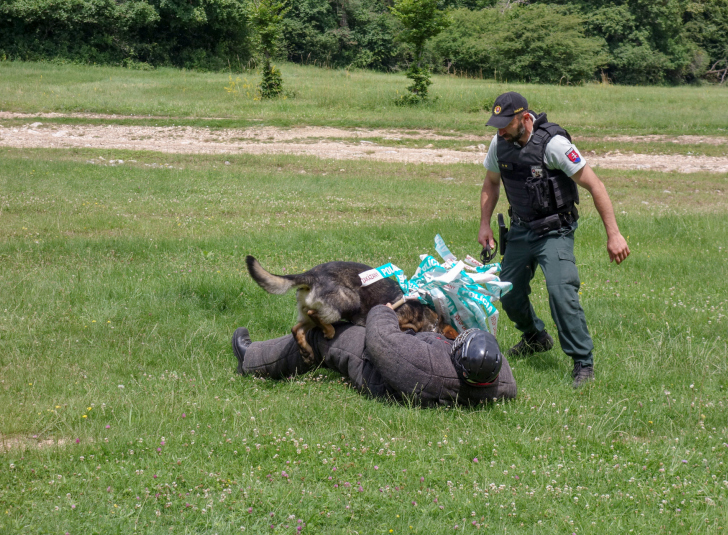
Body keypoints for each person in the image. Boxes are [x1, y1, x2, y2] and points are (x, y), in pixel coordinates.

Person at [478, 92, 630, 388]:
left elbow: (594, 184)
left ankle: (583, 362)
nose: (499, 131)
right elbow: (491, 183)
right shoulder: (499, 145)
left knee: (561, 292)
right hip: (521, 229)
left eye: (504, 124)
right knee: (507, 291)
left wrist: (614, 233)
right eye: (496, 125)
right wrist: (485, 224)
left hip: (554, 231)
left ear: (524, 118)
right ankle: (535, 337)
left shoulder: (554, 145)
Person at [231, 304, 517, 406]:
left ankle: (253, 359)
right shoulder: (498, 377)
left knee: (323, 335)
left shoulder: (425, 366)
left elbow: (382, 340)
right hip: (410, 354)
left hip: (378, 371)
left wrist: (385, 309)